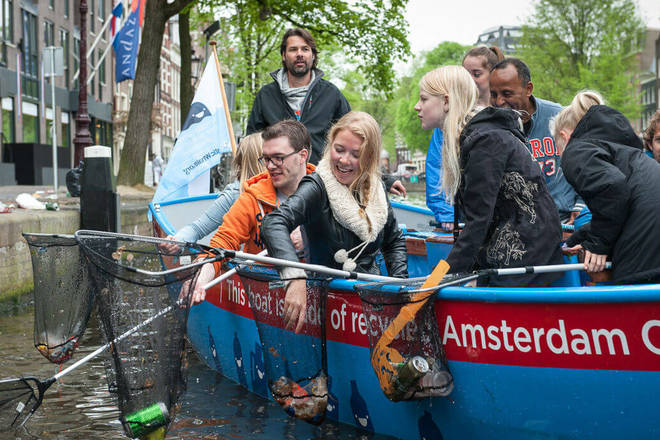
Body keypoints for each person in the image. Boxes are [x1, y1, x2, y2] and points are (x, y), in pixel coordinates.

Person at [261, 111, 408, 332]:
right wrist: (294, 276)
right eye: (339, 150)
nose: (344, 160)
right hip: (328, 305)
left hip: (370, 302)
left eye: (356, 154)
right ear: (330, 146)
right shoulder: (316, 186)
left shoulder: (376, 189)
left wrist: (400, 290)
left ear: (369, 157)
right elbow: (274, 223)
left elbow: (393, 241)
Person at [415, 66, 563, 286]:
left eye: (424, 99)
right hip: (515, 243)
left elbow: (478, 221)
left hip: (527, 252)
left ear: (446, 101)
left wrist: (438, 280)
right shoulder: (476, 136)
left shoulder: (485, 141)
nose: (417, 107)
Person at [246, 28, 406, 197]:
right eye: (293, 49)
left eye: (305, 49)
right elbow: (252, 145)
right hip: (276, 189)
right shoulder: (266, 96)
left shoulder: (331, 95)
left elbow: (358, 140)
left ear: (313, 56)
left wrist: (384, 179)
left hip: (323, 189)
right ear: (284, 56)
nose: (299, 54)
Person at [188, 120, 316, 305]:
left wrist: (310, 236)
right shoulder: (252, 198)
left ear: (302, 156)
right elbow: (222, 243)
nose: (270, 166)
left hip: (318, 293)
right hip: (263, 295)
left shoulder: (328, 192)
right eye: (266, 159)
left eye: (278, 158)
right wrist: (201, 278)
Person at [552, 91, 660, 283]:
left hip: (645, 244)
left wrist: (598, 244)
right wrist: (584, 235)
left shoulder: (575, 150)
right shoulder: (624, 153)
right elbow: (622, 204)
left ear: (564, 137)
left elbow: (614, 191)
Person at [489, 58, 584, 223]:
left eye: (507, 94)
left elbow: (587, 165)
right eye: (494, 94)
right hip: (517, 225)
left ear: (528, 89)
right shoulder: (489, 128)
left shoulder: (560, 117)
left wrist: (580, 206)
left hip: (562, 220)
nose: (499, 102)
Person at [425, 46, 505, 230]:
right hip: (464, 217)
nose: (470, 81)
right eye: (465, 75)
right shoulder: (450, 118)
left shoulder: (506, 114)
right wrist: (445, 212)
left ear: (493, 75)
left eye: (476, 74)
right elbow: (436, 167)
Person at [172, 133, 265, 242]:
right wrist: (176, 241)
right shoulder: (235, 194)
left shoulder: (284, 189)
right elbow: (198, 228)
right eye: (272, 158)